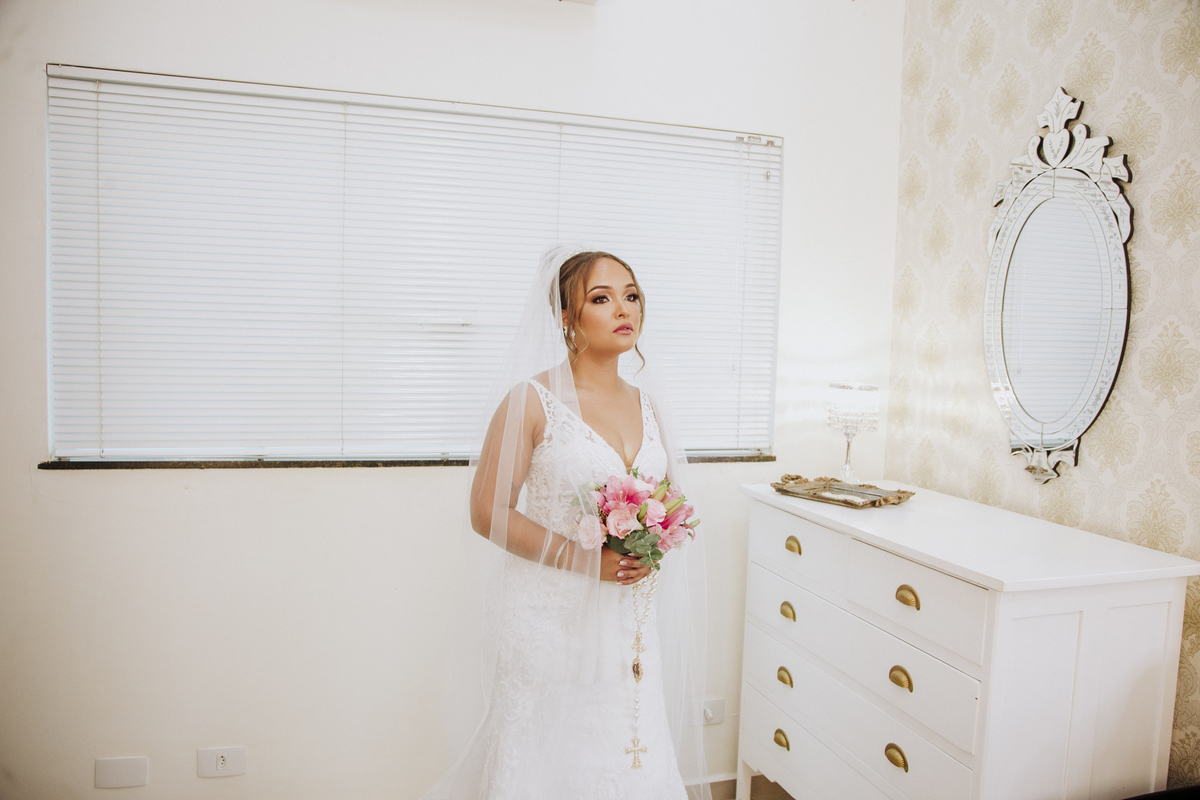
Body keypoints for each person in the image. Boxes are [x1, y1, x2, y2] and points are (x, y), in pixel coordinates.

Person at [418, 247, 710, 800]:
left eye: (631, 295)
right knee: (549, 760)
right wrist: (585, 560)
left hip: (628, 619)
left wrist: (652, 546)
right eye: (601, 298)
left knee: (630, 745)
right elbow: (487, 512)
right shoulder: (531, 401)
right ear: (567, 318)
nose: (623, 309)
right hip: (548, 618)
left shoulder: (649, 406)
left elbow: (665, 501)